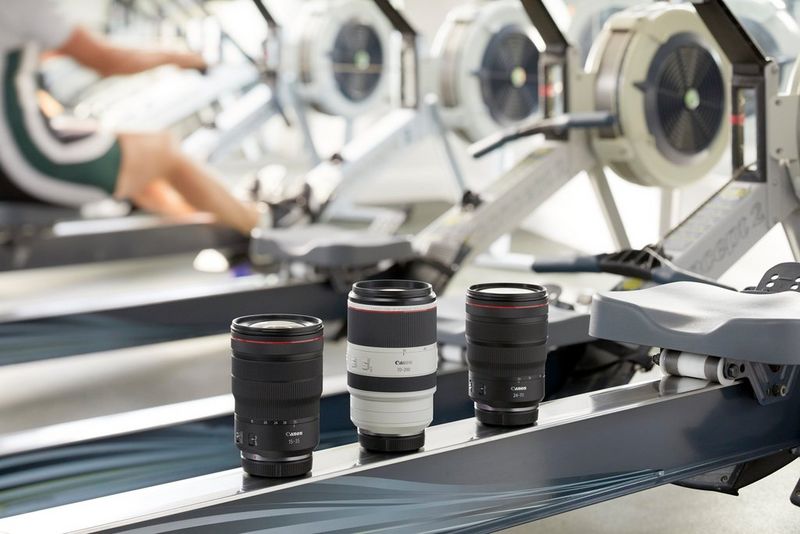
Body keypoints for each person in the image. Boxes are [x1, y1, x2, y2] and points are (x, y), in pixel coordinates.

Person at [0, 0, 260, 235]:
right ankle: (258, 227)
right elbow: (108, 60)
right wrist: (180, 57)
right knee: (164, 150)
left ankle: (216, 226)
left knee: (129, 157)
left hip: (8, 163)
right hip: (26, 164)